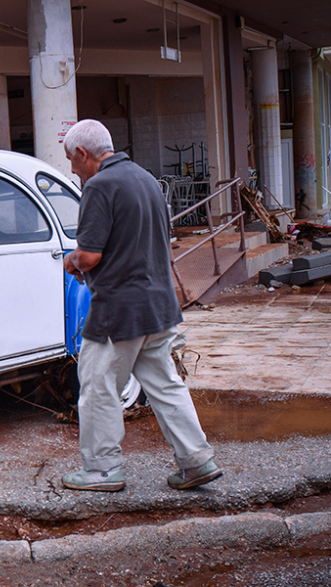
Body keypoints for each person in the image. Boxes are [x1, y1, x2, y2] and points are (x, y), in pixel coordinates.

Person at [60, 119, 222, 492]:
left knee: (98, 386)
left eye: (72, 160)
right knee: (165, 384)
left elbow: (91, 255)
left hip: (119, 310)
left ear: (84, 154)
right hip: (159, 304)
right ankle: (197, 460)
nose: (73, 169)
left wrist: (72, 260)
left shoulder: (99, 187)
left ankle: (101, 470)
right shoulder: (146, 179)